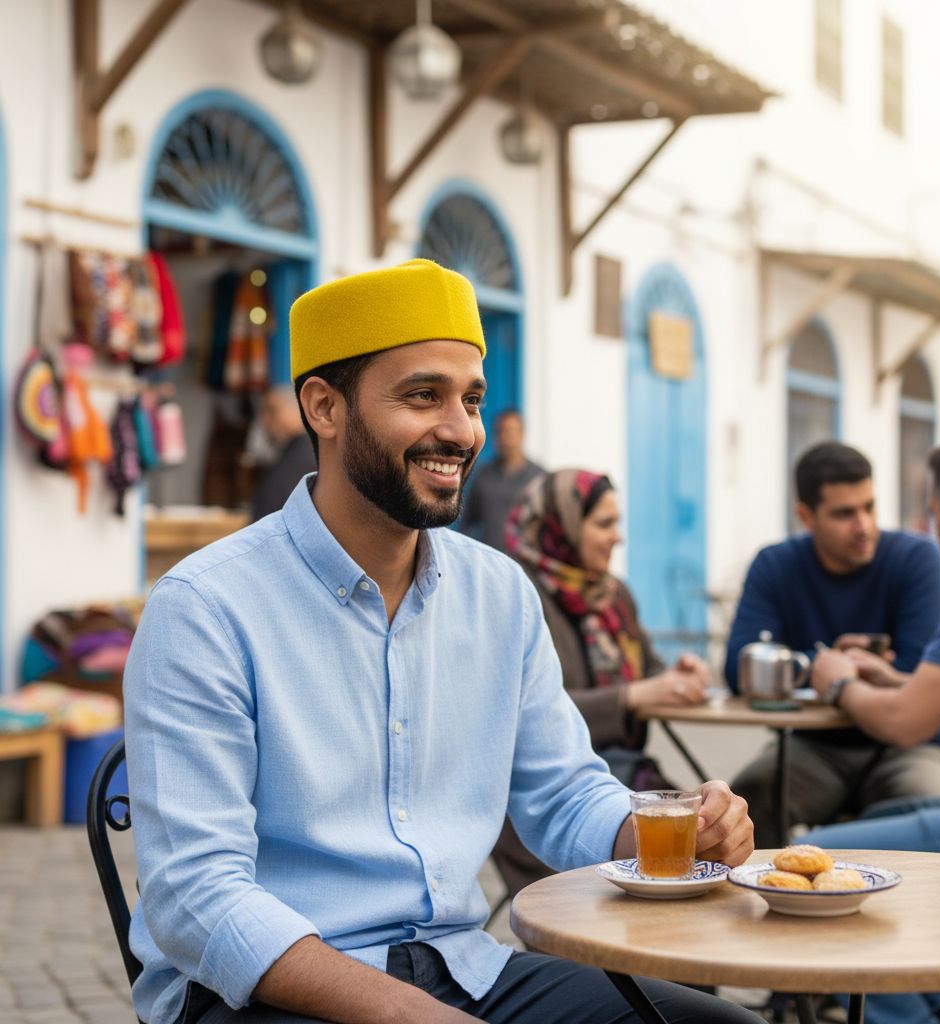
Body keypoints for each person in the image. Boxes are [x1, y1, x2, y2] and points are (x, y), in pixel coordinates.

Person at [123, 259, 758, 1024]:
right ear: (324, 407)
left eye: (472, 399)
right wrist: (406, 1014)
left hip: (467, 969)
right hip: (266, 989)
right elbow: (197, 897)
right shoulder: (206, 606)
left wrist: (675, 827)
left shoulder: (498, 593)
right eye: (424, 395)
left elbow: (560, 794)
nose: (461, 430)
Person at [807, 431, 940, 1024]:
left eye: (933, 513)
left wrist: (836, 681)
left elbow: (907, 726)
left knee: (819, 862)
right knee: (874, 829)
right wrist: (890, 676)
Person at [724, 441, 940, 847]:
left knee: (927, 803)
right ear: (805, 516)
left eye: (869, 507)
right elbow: (739, 669)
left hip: (911, 746)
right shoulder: (775, 564)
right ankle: (769, 903)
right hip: (816, 748)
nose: (864, 526)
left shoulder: (916, 558)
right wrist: (824, 663)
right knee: (747, 801)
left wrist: (825, 674)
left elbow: (921, 676)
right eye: (844, 514)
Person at [492, 468, 713, 897]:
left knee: (710, 830)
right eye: (604, 524)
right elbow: (531, 716)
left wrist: (680, 673)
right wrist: (632, 697)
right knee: (682, 858)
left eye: (618, 523)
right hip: (542, 805)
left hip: (624, 778)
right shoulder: (517, 597)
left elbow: (649, 669)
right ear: (563, 527)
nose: (618, 537)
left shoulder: (613, 596)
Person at [458, 408, 543, 549]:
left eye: (510, 432)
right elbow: (466, 523)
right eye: (500, 432)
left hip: (525, 565)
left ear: (522, 434)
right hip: (490, 562)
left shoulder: (539, 477)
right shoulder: (482, 476)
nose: (505, 438)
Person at [250, 384, 318, 521]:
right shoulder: (295, 452)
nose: (265, 419)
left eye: (272, 411)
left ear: (297, 411)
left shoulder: (302, 456)